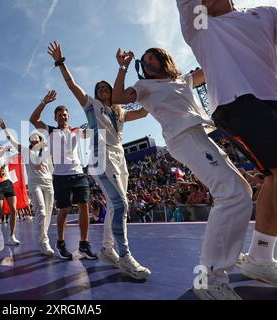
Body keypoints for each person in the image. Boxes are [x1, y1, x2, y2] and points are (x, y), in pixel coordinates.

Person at [113, 46, 253, 299]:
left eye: (151, 57)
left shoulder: (180, 80)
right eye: (143, 61)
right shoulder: (143, 86)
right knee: (230, 195)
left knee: (242, 190)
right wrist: (123, 67)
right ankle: (209, 278)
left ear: (163, 58)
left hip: (200, 135)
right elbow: (119, 98)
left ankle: (229, 255)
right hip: (183, 137)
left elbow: (208, 69)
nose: (147, 63)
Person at [176, 0, 277, 291]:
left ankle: (260, 255)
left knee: (272, 178)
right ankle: (216, 275)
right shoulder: (201, 26)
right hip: (238, 102)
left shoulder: (266, 14)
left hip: (271, 100)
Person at [46, 41, 151, 275]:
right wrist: (61, 62)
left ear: (113, 92)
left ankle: (106, 248)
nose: (103, 89)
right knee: (121, 204)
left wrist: (148, 84)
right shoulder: (91, 105)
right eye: (99, 88)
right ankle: (125, 256)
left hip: (119, 156)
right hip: (100, 158)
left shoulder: (120, 111)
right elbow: (71, 84)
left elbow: (144, 111)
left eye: (106, 87)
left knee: (116, 208)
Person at [30, 87, 97, 261]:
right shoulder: (51, 131)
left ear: (69, 116)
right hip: (60, 176)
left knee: (84, 207)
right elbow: (33, 119)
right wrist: (44, 102)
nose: (63, 117)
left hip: (78, 173)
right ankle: (60, 242)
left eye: (65, 114)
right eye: (60, 115)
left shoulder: (76, 131)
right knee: (64, 210)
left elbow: (95, 130)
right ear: (55, 118)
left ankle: (84, 244)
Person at [0, 117, 55, 256]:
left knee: (47, 213)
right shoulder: (26, 152)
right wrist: (5, 130)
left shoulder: (47, 153)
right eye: (32, 140)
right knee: (41, 212)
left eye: (37, 139)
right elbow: (13, 140)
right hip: (35, 184)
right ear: (30, 142)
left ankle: (44, 238)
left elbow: (53, 169)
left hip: (48, 183)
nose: (35, 141)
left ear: (41, 142)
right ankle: (44, 242)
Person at [0, 144, 20, 247]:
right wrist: (5, 149)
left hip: (8, 184)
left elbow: (19, 154)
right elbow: (0, 155)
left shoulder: (6, 159)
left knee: (14, 210)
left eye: (0, 148)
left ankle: (12, 236)